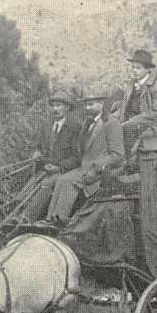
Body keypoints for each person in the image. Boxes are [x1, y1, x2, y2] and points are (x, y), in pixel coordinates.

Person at [42, 92, 123, 226]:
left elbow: (117, 155)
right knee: (61, 179)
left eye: (90, 104)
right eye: (85, 104)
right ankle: (50, 219)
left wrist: (97, 168)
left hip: (101, 171)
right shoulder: (87, 122)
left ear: (101, 103)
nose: (87, 108)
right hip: (85, 167)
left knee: (68, 180)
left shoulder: (111, 123)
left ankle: (58, 221)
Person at [16, 90, 82, 222]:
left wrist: (59, 168)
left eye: (59, 105)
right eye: (53, 105)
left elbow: (77, 156)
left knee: (46, 185)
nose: (55, 109)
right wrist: (37, 153)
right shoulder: (46, 126)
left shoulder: (76, 127)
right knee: (28, 188)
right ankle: (15, 213)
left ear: (68, 108)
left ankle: (26, 218)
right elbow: (39, 147)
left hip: (63, 171)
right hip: (45, 168)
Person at [116, 49, 157, 156]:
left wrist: (132, 121)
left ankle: (128, 161)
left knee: (127, 128)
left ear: (148, 69)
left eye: (138, 68)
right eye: (133, 67)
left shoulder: (156, 87)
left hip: (149, 126)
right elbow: (125, 107)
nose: (135, 70)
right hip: (129, 123)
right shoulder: (131, 85)